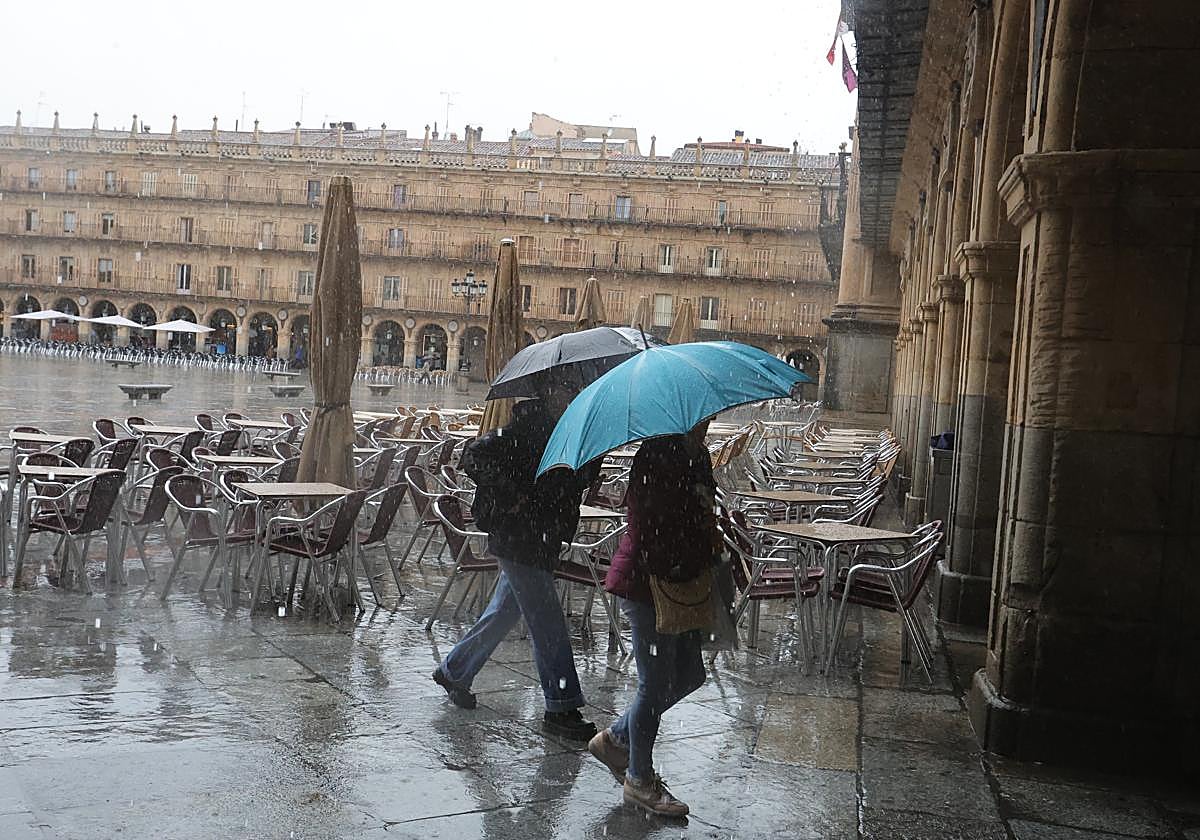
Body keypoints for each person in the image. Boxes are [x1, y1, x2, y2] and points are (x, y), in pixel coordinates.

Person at [432, 377, 603, 741]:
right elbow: (474, 456)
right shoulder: (525, 427)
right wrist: (514, 495)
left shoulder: (567, 429)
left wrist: (594, 451)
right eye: (568, 389)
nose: (572, 394)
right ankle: (562, 706)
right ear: (550, 391)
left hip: (540, 536)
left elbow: (573, 481)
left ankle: (454, 670)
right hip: (520, 536)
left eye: (575, 390)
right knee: (548, 625)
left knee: (504, 611)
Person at [587, 423, 719, 817]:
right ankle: (639, 780)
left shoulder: (697, 453)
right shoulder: (658, 454)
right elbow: (653, 523)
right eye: (704, 415)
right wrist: (694, 531)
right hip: (649, 581)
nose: (709, 419)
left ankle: (616, 738)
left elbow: (697, 511)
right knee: (655, 682)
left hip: (684, 580)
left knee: (690, 674)